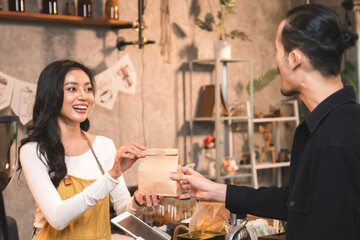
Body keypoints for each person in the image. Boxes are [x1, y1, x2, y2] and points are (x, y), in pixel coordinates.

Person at [172, 4, 360, 240]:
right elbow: (291, 201)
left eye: (277, 50)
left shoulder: (336, 140)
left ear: (294, 59)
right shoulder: (329, 126)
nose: (276, 61)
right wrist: (214, 189)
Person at [19, 60, 163, 239]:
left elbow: (123, 211)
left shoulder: (104, 146)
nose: (84, 96)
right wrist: (111, 177)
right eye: (72, 89)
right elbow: (57, 218)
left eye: (88, 89)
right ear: (51, 96)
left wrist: (138, 202)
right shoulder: (33, 150)